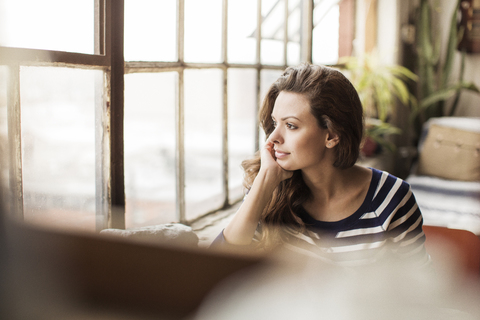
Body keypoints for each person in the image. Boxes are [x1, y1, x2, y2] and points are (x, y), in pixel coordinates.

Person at [211, 63, 430, 268]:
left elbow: (422, 291)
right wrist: (266, 180)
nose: (273, 138)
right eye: (274, 123)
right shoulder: (269, 188)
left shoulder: (392, 199)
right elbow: (216, 265)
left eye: (291, 125)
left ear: (332, 135)